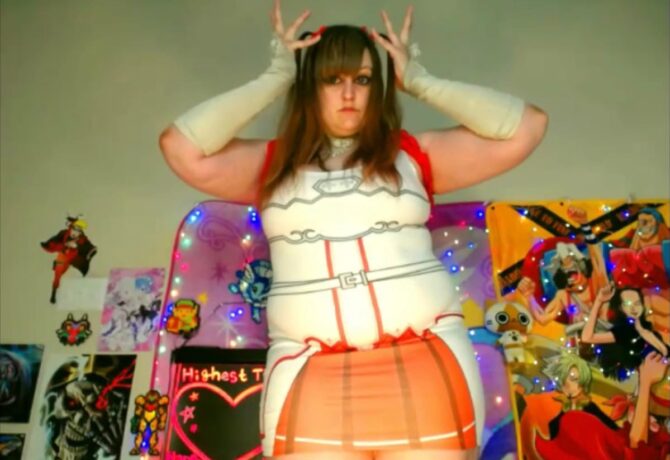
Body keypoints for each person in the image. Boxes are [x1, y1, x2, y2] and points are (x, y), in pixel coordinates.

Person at [159, 1, 548, 458]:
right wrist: (276, 78)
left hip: (426, 364)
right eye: (332, 79)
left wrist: (420, 80)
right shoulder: (273, 164)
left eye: (362, 79)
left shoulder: (411, 155)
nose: (349, 93)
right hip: (309, 372)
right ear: (311, 86)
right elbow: (181, 147)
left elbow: (527, 126)